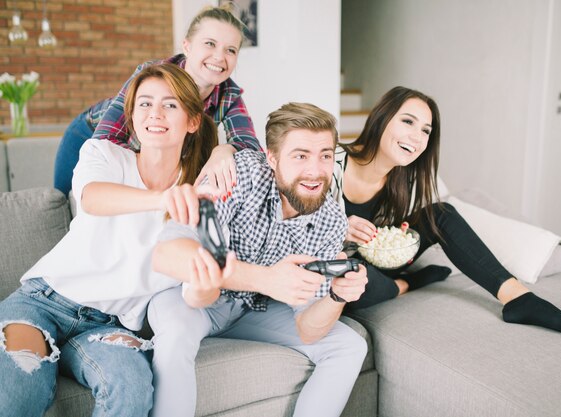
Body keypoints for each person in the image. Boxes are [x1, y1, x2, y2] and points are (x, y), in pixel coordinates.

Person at [0, 63, 219, 417]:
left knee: (131, 387)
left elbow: (195, 276)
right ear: (131, 119)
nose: (155, 113)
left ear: (193, 121)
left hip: (110, 324)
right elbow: (92, 199)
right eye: (145, 104)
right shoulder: (102, 155)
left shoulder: (201, 199)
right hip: (43, 302)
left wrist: (207, 286)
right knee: (21, 386)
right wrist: (162, 199)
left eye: (170, 104)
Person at [147, 103, 369, 417]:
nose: (316, 171)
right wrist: (265, 279)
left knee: (350, 346)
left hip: (250, 311)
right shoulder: (242, 172)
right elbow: (166, 254)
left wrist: (337, 295)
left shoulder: (331, 219)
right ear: (271, 158)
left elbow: (308, 330)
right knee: (175, 337)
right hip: (187, 299)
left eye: (326, 155)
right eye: (300, 155)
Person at [331, 86, 561, 334]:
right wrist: (340, 228)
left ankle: (519, 299)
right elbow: (294, 230)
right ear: (381, 117)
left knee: (442, 214)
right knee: (353, 276)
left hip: (375, 261)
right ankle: (405, 284)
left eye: (425, 131)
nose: (417, 138)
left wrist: (398, 236)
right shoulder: (329, 163)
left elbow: (389, 240)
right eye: (408, 121)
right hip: (338, 270)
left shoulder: (404, 178)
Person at [53, 4, 261, 199]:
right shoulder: (152, 75)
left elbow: (251, 148)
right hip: (87, 133)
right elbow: (105, 140)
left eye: (230, 50)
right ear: (187, 46)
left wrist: (224, 150)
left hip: (149, 155)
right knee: (63, 202)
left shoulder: (229, 95)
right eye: (210, 43)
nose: (219, 56)